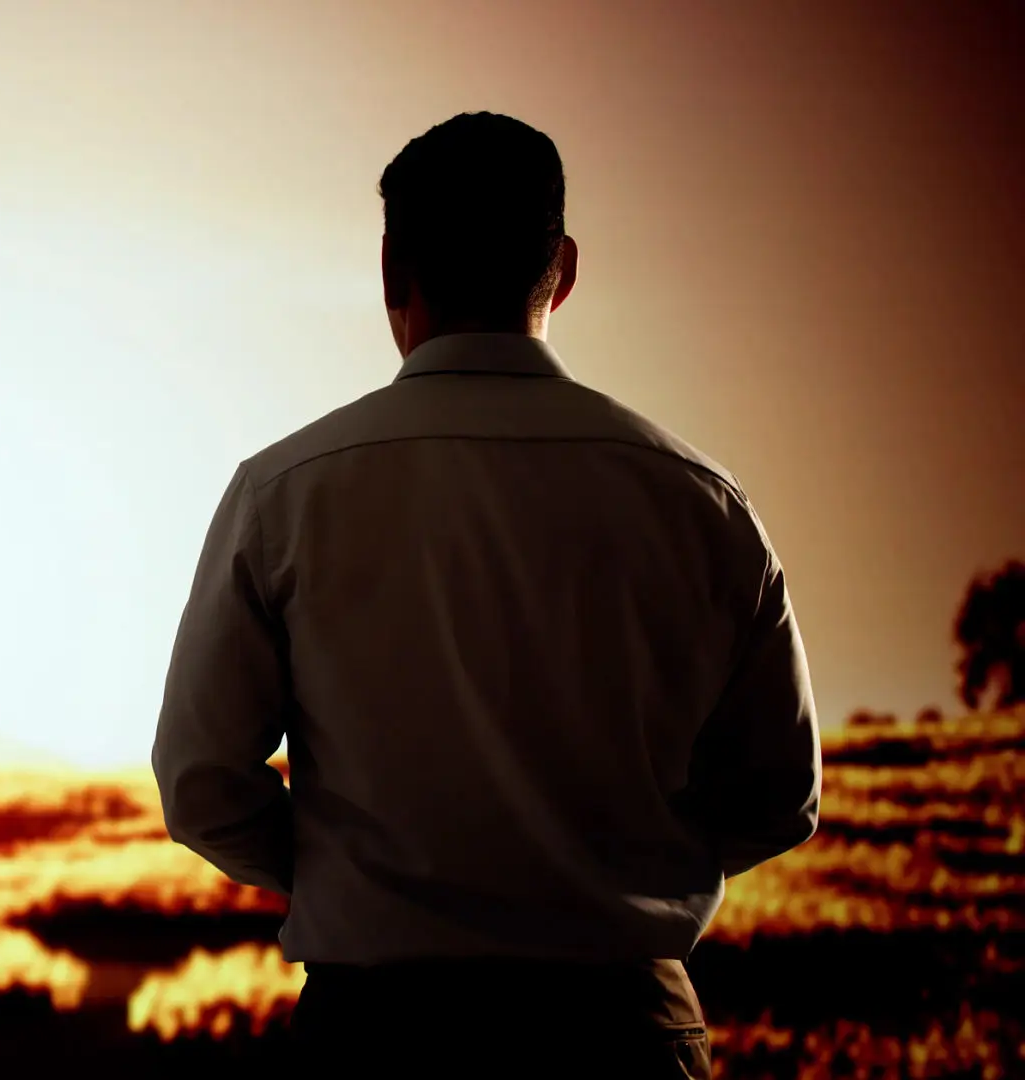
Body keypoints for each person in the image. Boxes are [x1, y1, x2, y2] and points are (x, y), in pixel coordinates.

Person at [150, 111, 821, 1079]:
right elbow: (778, 798)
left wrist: (362, 875)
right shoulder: (699, 503)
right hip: (624, 1035)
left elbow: (201, 784)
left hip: (375, 1035)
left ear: (390, 269)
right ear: (564, 268)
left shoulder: (284, 493)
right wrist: (617, 873)